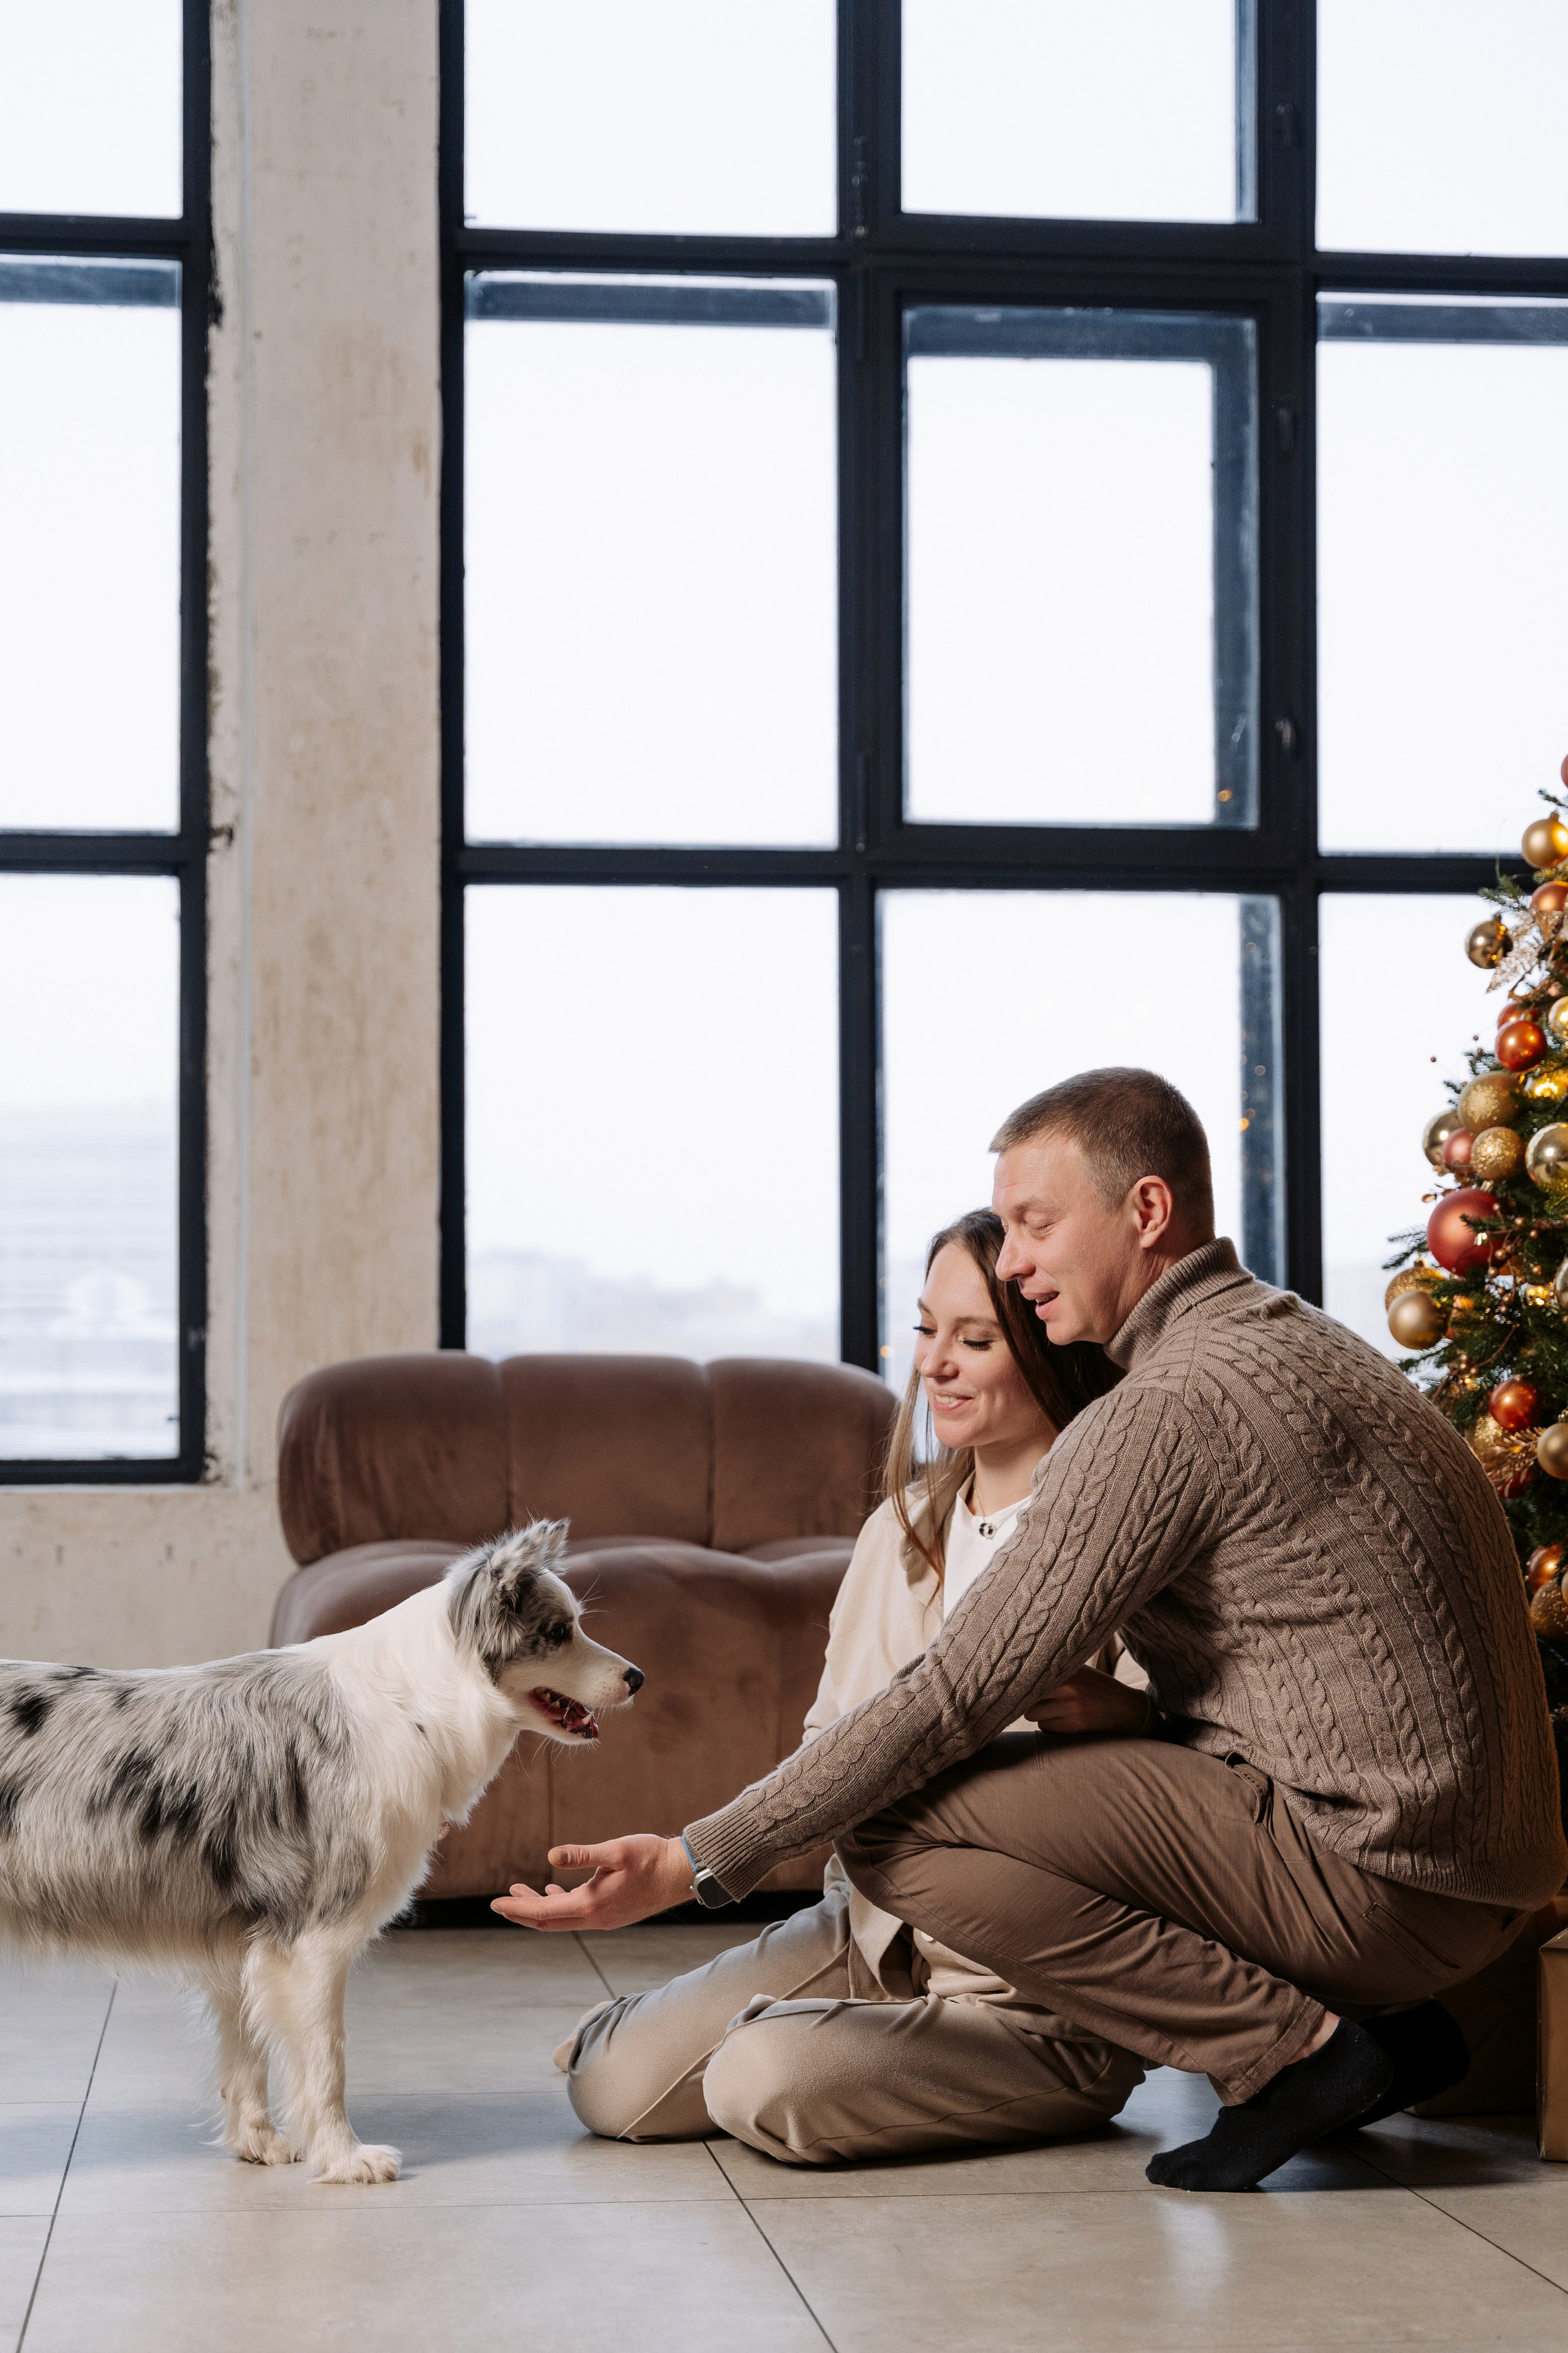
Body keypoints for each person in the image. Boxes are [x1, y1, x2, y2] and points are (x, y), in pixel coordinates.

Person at [496, 1068, 1568, 2192]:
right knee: (665, 2046)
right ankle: (1351, 2041)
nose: (1011, 1262)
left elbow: (953, 1694)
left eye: (1034, 1226)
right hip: (1466, 1882)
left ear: (1147, 1212)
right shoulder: (1305, 1344)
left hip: (1378, 1885)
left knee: (891, 1820)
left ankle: (1297, 2051)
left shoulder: (1166, 1407)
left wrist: (691, 1859)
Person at [554, 1209, 1147, 2164]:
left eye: (975, 1338)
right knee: (609, 2084)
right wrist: (695, 1859)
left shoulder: (1122, 1535)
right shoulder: (900, 1529)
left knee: (759, 2083)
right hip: (870, 1928)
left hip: (1029, 1986)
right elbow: (830, 1754)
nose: (934, 1364)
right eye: (926, 1330)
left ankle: (876, 2054)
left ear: (1051, 1350)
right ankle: (781, 2032)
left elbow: (1196, 1782)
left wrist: (1130, 1718)